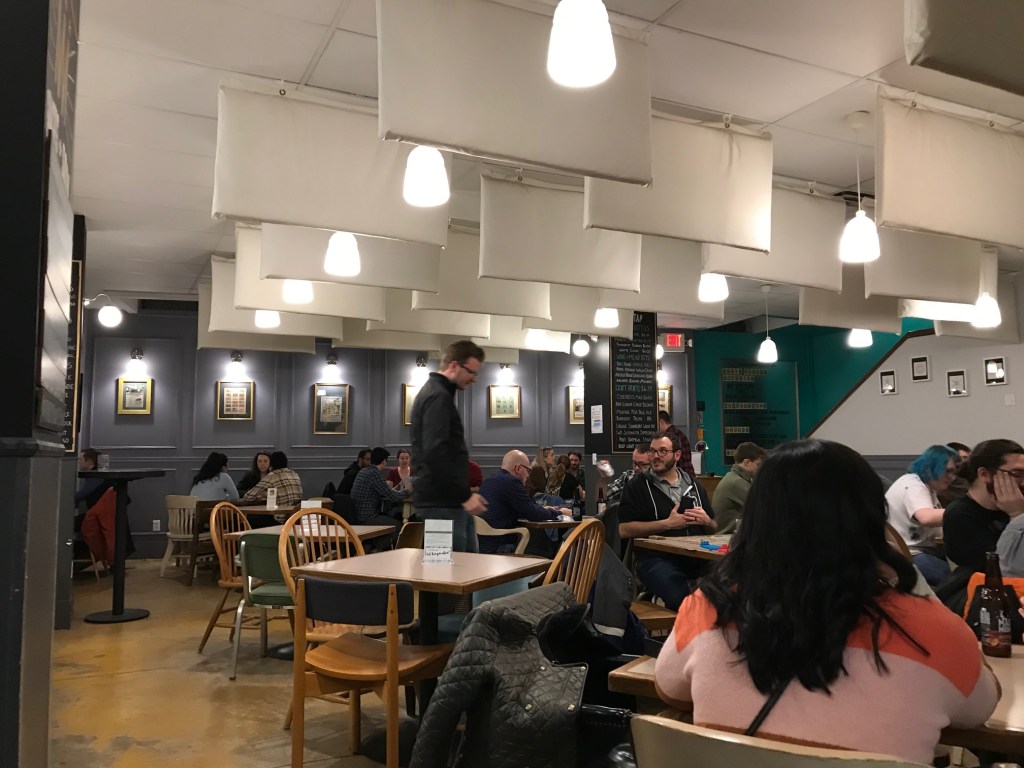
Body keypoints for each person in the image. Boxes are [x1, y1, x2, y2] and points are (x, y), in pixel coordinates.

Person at [654, 439, 999, 765]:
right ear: (871, 519)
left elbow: (670, 688)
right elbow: (981, 707)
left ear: (757, 519)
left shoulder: (709, 606)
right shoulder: (929, 629)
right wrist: (909, 578)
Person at [618, 431, 716, 610]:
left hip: (697, 557)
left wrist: (707, 521)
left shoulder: (694, 485)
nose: (656, 456)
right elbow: (624, 529)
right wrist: (667, 524)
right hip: (656, 559)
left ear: (677, 455)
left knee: (728, 589)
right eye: (652, 451)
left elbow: (714, 527)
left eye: (662, 451)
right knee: (683, 598)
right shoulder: (637, 486)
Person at [410, 340, 488, 552]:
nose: (474, 378)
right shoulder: (438, 396)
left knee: (463, 566)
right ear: (453, 366)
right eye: (471, 372)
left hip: (446, 501)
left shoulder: (436, 393)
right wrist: (465, 495)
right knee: (446, 570)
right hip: (441, 503)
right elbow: (435, 453)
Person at [944, 438, 1024, 573]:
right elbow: (997, 569)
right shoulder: (959, 515)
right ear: (984, 474)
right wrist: (1017, 517)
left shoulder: (1016, 505)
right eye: (1017, 474)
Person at [884, 444, 958, 585]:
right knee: (955, 582)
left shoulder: (923, 485)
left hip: (918, 549)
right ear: (933, 466)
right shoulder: (914, 485)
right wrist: (963, 511)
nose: (952, 477)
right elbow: (926, 517)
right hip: (909, 554)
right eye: (948, 471)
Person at [478, 450, 566, 554]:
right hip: (500, 546)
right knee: (550, 548)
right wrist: (560, 512)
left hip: (481, 545)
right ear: (518, 468)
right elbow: (533, 514)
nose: (528, 475)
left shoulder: (489, 481)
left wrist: (542, 509)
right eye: (528, 470)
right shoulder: (511, 482)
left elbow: (519, 508)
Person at [350, 447, 408, 548]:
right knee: (400, 526)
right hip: (367, 517)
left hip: (356, 515)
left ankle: (372, 547)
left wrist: (397, 487)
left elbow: (383, 491)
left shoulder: (364, 471)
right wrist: (408, 491)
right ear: (384, 461)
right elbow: (393, 497)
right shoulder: (375, 474)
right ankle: (376, 549)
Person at [711, 442, 766, 535]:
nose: (760, 469)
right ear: (747, 462)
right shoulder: (736, 482)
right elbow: (763, 507)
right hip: (728, 536)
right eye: (758, 464)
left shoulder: (734, 478)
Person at [658, 410, 695, 476]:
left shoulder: (668, 437)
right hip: (688, 474)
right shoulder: (680, 433)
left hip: (679, 476)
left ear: (661, 422)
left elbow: (675, 460)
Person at [938, 441, 972, 507]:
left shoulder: (968, 480)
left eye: (969, 458)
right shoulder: (941, 484)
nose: (968, 461)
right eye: (964, 457)